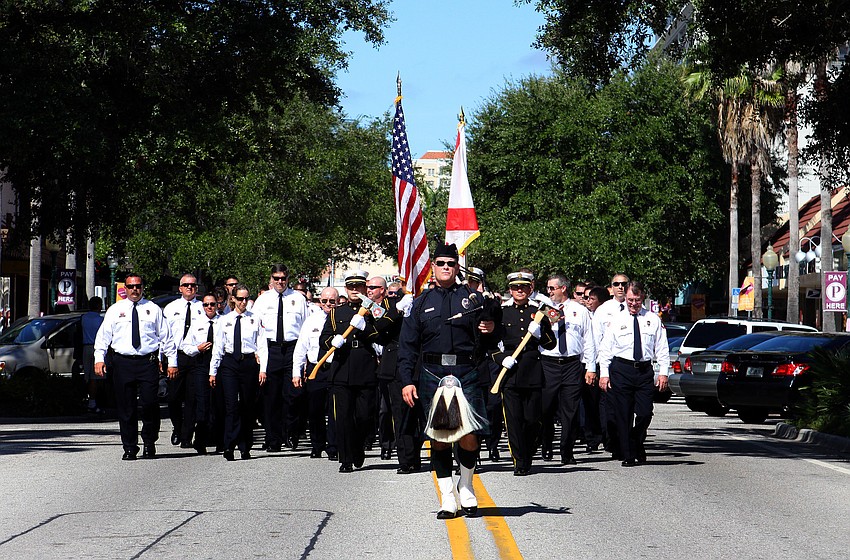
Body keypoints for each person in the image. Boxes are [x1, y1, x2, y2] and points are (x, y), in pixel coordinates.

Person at [398, 243, 495, 519]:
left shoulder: (473, 299)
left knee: (469, 435)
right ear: (433, 266)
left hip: (466, 372)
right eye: (440, 263)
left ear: (457, 267)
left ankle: (466, 485)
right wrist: (407, 380)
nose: (445, 268)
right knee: (439, 438)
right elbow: (407, 346)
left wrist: (489, 326)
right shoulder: (420, 303)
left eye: (450, 264)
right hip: (432, 373)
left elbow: (489, 334)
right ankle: (447, 497)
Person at [94, 274, 177, 460]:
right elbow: (103, 336)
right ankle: (130, 447)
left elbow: (166, 337)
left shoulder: (153, 309)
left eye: (138, 286)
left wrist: (172, 362)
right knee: (126, 408)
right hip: (123, 362)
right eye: (131, 286)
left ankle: (149, 442)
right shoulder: (115, 310)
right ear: (126, 288)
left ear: (142, 287)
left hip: (147, 362)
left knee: (149, 404)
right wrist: (99, 358)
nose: (134, 290)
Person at [490, 271, 556, 476]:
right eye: (516, 287)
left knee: (532, 419)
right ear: (510, 290)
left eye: (524, 287)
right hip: (510, 372)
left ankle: (528, 452)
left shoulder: (539, 312)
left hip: (532, 370)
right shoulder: (501, 312)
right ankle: (520, 460)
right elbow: (490, 345)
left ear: (530, 289)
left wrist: (539, 332)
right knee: (513, 420)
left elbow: (551, 344)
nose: (519, 290)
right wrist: (502, 359)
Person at [598, 281, 669, 467]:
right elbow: (605, 350)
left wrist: (663, 373)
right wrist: (604, 374)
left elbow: (662, 348)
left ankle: (635, 440)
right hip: (622, 369)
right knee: (623, 413)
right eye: (630, 300)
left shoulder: (653, 319)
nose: (633, 303)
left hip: (644, 370)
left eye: (637, 300)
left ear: (642, 298)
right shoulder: (617, 321)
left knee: (645, 413)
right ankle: (629, 454)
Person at [320, 270, 380, 473]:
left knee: (364, 416)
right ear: (346, 289)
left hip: (364, 367)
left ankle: (358, 447)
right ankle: (345, 458)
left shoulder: (373, 310)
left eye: (359, 286)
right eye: (351, 287)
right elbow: (324, 338)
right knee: (343, 417)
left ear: (365, 288)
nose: (355, 290)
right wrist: (333, 341)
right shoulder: (337, 312)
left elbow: (380, 335)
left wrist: (365, 328)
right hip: (342, 368)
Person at [251, 264, 309, 452]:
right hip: (271, 349)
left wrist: (304, 355)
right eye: (276, 278)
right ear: (271, 279)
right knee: (271, 397)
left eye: (283, 278)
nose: (280, 282)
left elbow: (305, 329)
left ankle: (290, 433)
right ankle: (273, 437)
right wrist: (257, 351)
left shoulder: (298, 299)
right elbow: (255, 328)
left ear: (287, 278)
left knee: (293, 396)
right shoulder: (263, 300)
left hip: (293, 349)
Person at [540, 274, 596, 465]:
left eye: (552, 288)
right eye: (548, 289)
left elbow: (589, 340)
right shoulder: (544, 309)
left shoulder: (579, 311)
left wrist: (590, 367)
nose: (549, 292)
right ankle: (547, 443)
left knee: (570, 410)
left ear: (563, 288)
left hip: (572, 364)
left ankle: (567, 451)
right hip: (548, 363)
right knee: (546, 408)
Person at [209, 284, 268, 461]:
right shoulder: (224, 320)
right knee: (231, 406)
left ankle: (245, 446)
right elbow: (218, 348)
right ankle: (229, 444)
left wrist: (263, 369)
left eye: (246, 299)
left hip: (248, 363)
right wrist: (213, 371)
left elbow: (262, 345)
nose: (243, 302)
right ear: (233, 299)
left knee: (248, 406)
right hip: (229, 364)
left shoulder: (255, 319)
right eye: (240, 299)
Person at [292, 287, 339, 460]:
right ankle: (317, 445)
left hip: (336, 368)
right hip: (315, 369)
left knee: (334, 410)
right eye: (324, 301)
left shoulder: (342, 320)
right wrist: (296, 372)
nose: (328, 304)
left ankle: (333, 446)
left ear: (338, 300)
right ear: (320, 301)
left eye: (332, 301)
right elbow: (301, 348)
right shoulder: (311, 321)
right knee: (315, 410)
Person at [162, 274, 204, 448]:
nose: (189, 288)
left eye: (193, 285)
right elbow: (163, 335)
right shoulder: (171, 308)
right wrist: (160, 357)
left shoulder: (203, 307)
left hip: (196, 356)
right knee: (173, 397)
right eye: (186, 285)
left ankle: (187, 435)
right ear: (180, 288)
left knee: (191, 398)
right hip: (175, 356)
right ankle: (177, 427)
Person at [180, 292, 221, 454]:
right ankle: (200, 439)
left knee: (218, 404)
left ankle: (219, 439)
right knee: (202, 404)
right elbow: (186, 346)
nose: (209, 307)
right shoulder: (197, 324)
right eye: (206, 305)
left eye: (212, 304)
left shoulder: (223, 322)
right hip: (201, 364)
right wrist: (198, 348)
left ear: (217, 305)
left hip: (219, 365)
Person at [81, 296, 104, 414]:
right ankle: (93, 402)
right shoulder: (100, 320)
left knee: (87, 376)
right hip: (97, 348)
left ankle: (89, 399)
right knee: (95, 378)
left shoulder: (84, 318)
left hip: (86, 347)